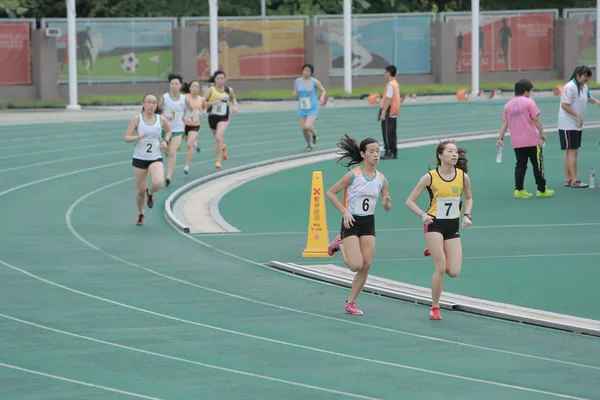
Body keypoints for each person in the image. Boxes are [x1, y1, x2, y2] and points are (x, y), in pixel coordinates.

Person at [405, 141, 472, 320]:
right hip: (433, 224)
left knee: (454, 271)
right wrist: (422, 215)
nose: (454, 154)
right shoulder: (430, 177)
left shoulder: (462, 177)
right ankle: (435, 307)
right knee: (440, 267)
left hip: (452, 226)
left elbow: (469, 197)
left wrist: (467, 215)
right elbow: (409, 201)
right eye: (450, 151)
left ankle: (434, 249)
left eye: (456, 151)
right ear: (440, 156)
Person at [325, 134, 392, 316]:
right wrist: (344, 211)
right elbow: (331, 193)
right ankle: (339, 244)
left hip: (368, 222)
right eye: (372, 152)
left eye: (378, 151)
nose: (376, 155)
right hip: (351, 220)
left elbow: (387, 206)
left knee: (366, 265)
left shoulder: (381, 179)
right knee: (355, 265)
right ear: (363, 154)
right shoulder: (352, 175)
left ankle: (351, 302)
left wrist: (387, 203)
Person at [496, 79, 554, 198]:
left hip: (517, 142)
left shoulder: (508, 105)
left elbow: (504, 123)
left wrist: (500, 138)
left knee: (520, 165)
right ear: (526, 91)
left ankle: (519, 190)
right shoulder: (529, 102)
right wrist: (542, 133)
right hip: (532, 140)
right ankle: (541, 189)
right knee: (538, 165)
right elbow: (536, 119)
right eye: (530, 91)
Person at [123, 93, 172, 226]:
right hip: (139, 158)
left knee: (159, 182)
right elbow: (126, 137)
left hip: (155, 157)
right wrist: (137, 137)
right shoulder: (136, 119)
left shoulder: (160, 119)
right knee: (139, 190)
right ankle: (140, 213)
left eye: (154, 103)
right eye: (149, 102)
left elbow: (169, 131)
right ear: (143, 103)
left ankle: (150, 192)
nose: (151, 105)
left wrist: (166, 141)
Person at [558, 65, 600, 188]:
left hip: (576, 123)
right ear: (578, 75)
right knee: (573, 151)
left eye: (588, 77)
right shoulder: (570, 87)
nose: (587, 79)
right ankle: (574, 180)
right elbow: (565, 105)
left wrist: (597, 101)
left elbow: (588, 98)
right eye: (585, 77)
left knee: (569, 150)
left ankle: (568, 179)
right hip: (568, 123)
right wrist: (577, 115)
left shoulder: (584, 87)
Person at [158, 72, 193, 187]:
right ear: (169, 85)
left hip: (178, 129)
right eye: (172, 83)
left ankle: (168, 177)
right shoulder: (165, 97)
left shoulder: (184, 99)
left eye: (176, 83)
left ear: (180, 85)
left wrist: (188, 116)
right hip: (165, 128)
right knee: (167, 153)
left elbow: (192, 110)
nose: (174, 86)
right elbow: (157, 112)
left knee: (173, 152)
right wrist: (164, 116)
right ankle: (165, 152)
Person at [203, 70, 238, 169]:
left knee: (219, 137)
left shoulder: (229, 90)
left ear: (225, 79)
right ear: (215, 79)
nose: (220, 80)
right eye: (218, 78)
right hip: (212, 117)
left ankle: (218, 161)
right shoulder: (210, 90)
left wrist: (235, 106)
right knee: (218, 139)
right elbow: (202, 102)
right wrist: (212, 103)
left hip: (224, 116)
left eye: (222, 78)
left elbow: (233, 98)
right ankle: (223, 148)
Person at [293, 64, 327, 151]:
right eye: (305, 70)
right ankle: (309, 144)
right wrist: (295, 93)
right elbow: (295, 91)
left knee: (308, 126)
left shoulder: (314, 81)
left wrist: (322, 98)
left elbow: (323, 90)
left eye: (308, 71)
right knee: (304, 128)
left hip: (312, 108)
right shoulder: (297, 81)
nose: (306, 72)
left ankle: (315, 133)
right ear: (302, 71)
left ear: (311, 73)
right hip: (302, 108)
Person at [181, 79, 205, 175]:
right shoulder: (184, 97)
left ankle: (187, 165)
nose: (195, 88)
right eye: (193, 86)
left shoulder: (201, 99)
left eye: (197, 87)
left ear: (199, 89)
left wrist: (203, 111)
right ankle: (195, 144)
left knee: (188, 144)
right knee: (188, 141)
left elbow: (204, 106)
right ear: (190, 88)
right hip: (184, 124)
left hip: (195, 125)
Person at [379, 65, 401, 159]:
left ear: (388, 73)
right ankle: (393, 151)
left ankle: (389, 152)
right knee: (392, 133)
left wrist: (383, 112)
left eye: (385, 72)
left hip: (389, 111)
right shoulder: (395, 83)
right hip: (394, 111)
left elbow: (388, 99)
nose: (384, 74)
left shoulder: (390, 85)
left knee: (387, 133)